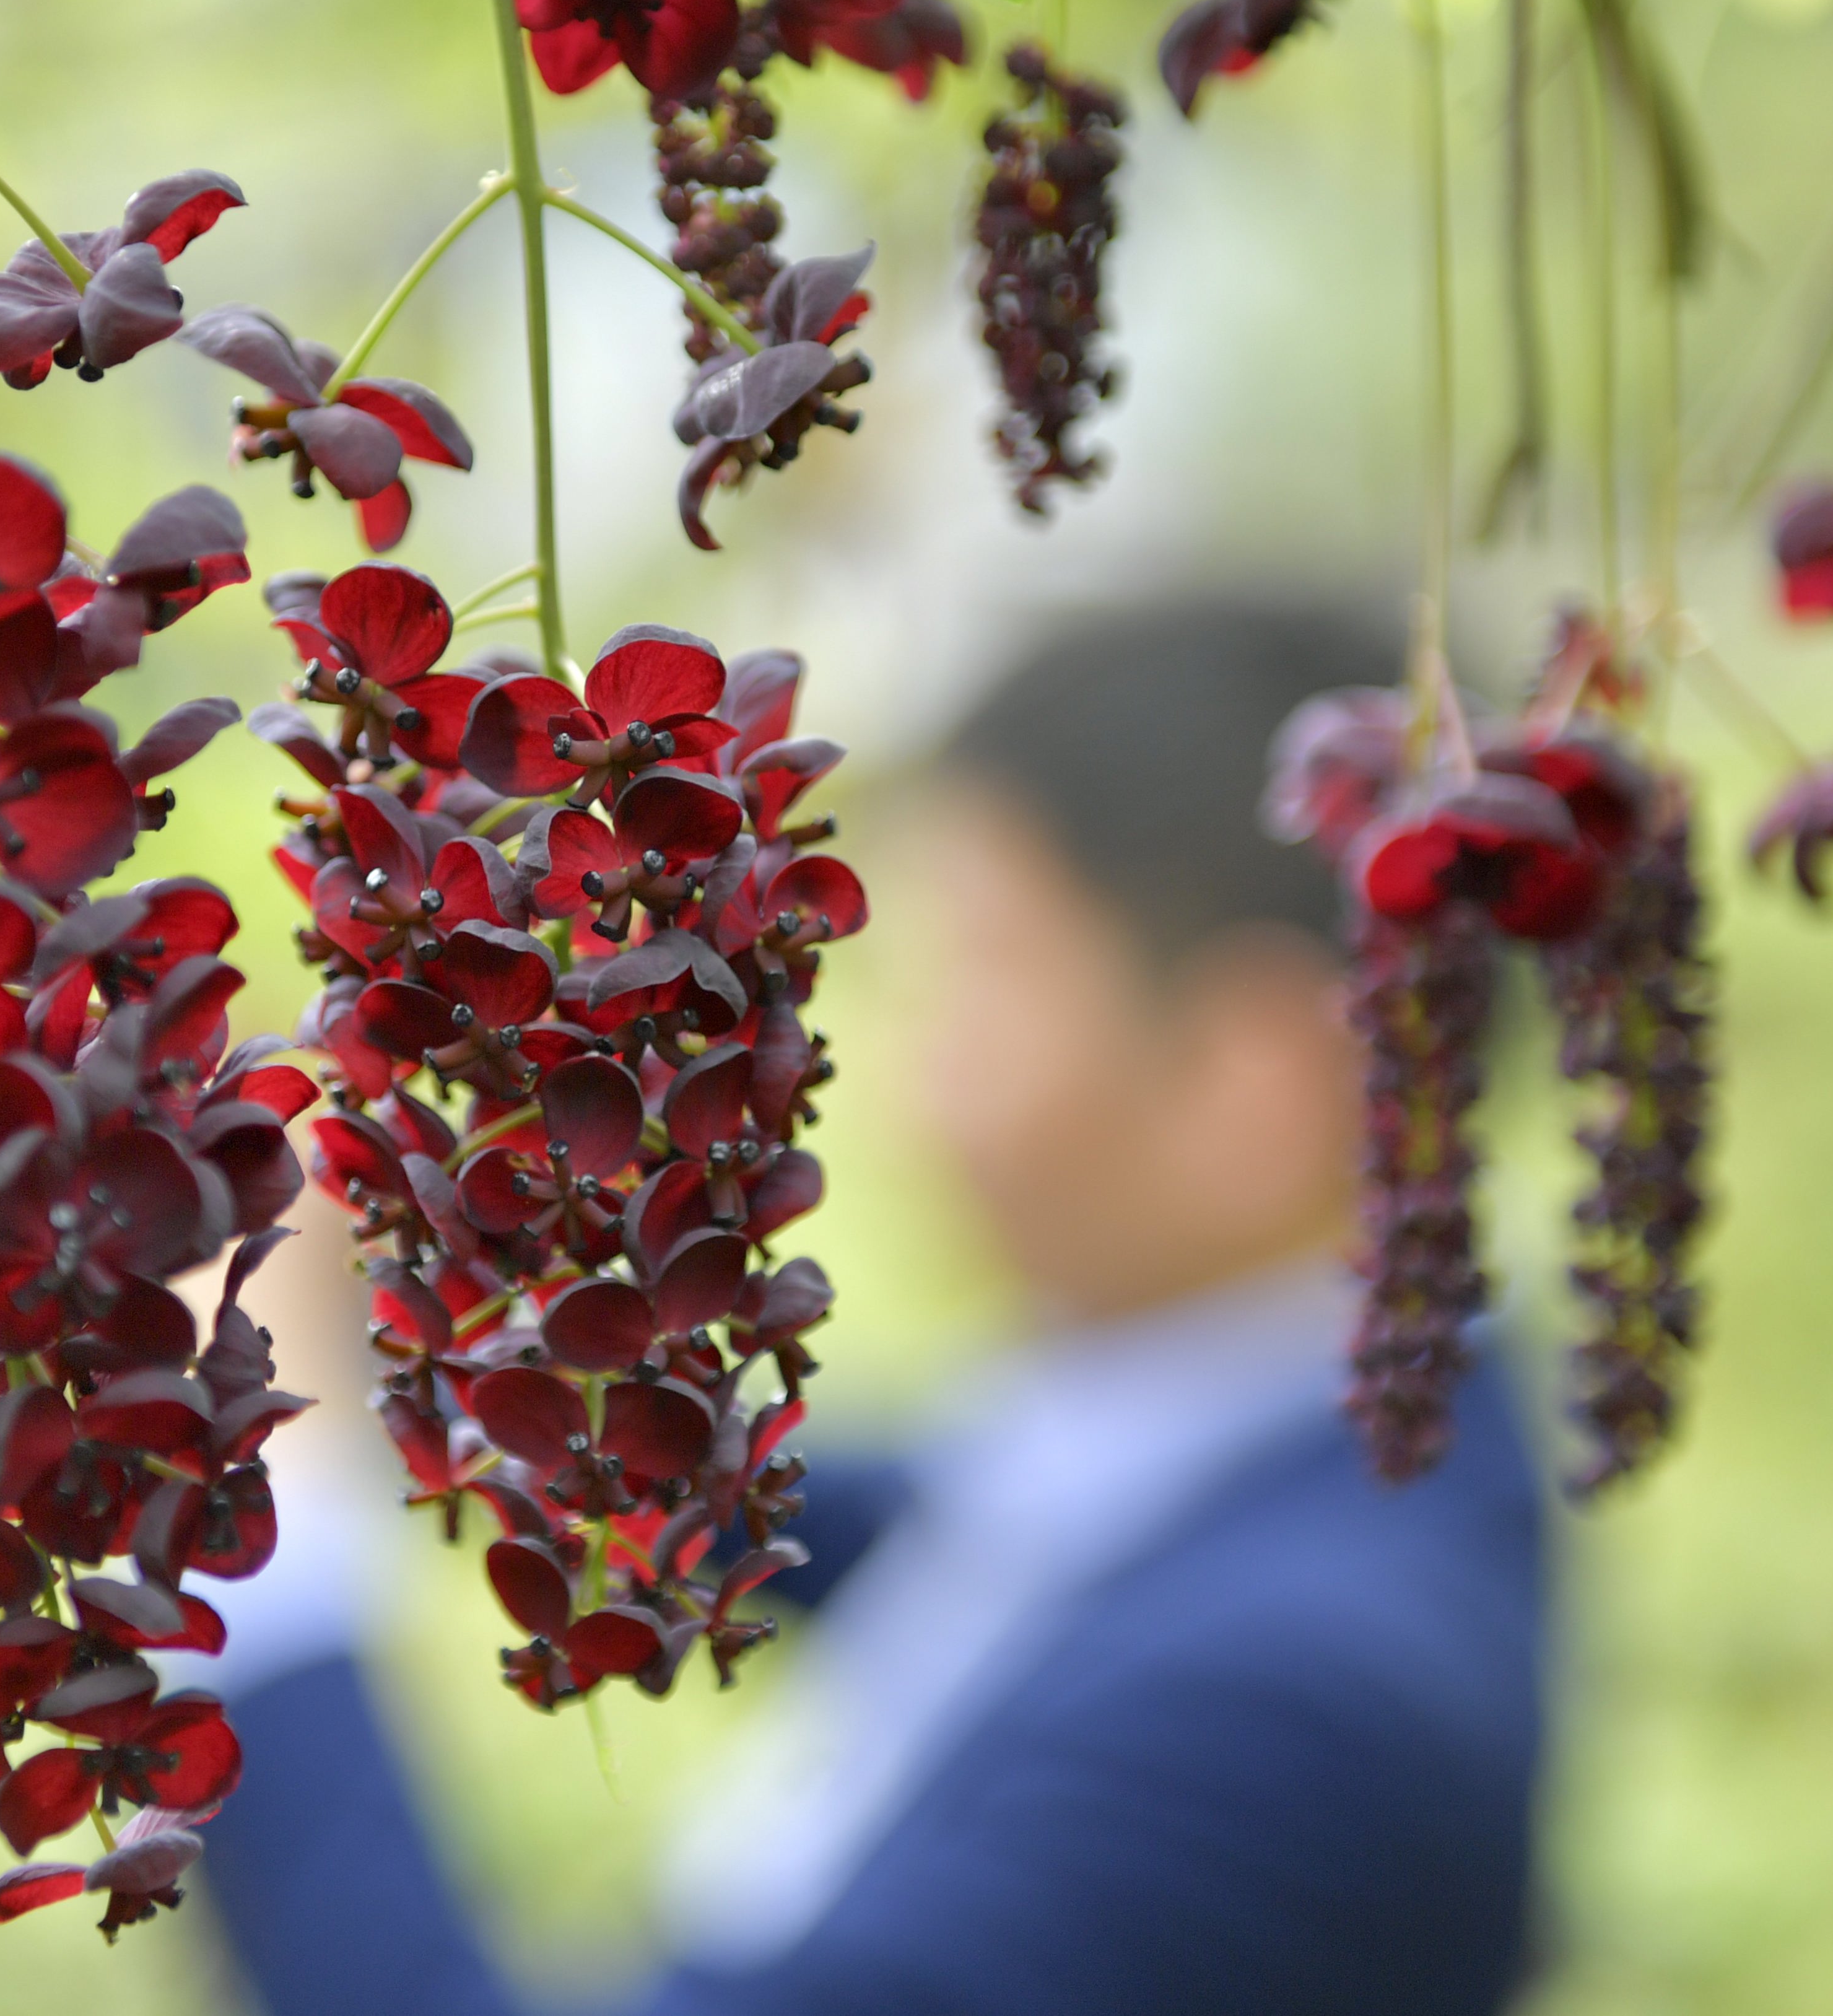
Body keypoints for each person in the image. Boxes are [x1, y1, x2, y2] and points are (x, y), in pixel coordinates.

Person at [191, 598, 1548, 2015]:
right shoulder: (1285, 1458)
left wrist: (255, 1509)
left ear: (1256, 1077)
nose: (910, 1083)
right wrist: (443, 1305)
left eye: (983, 977)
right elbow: (880, 1517)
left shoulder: (1288, 1724)